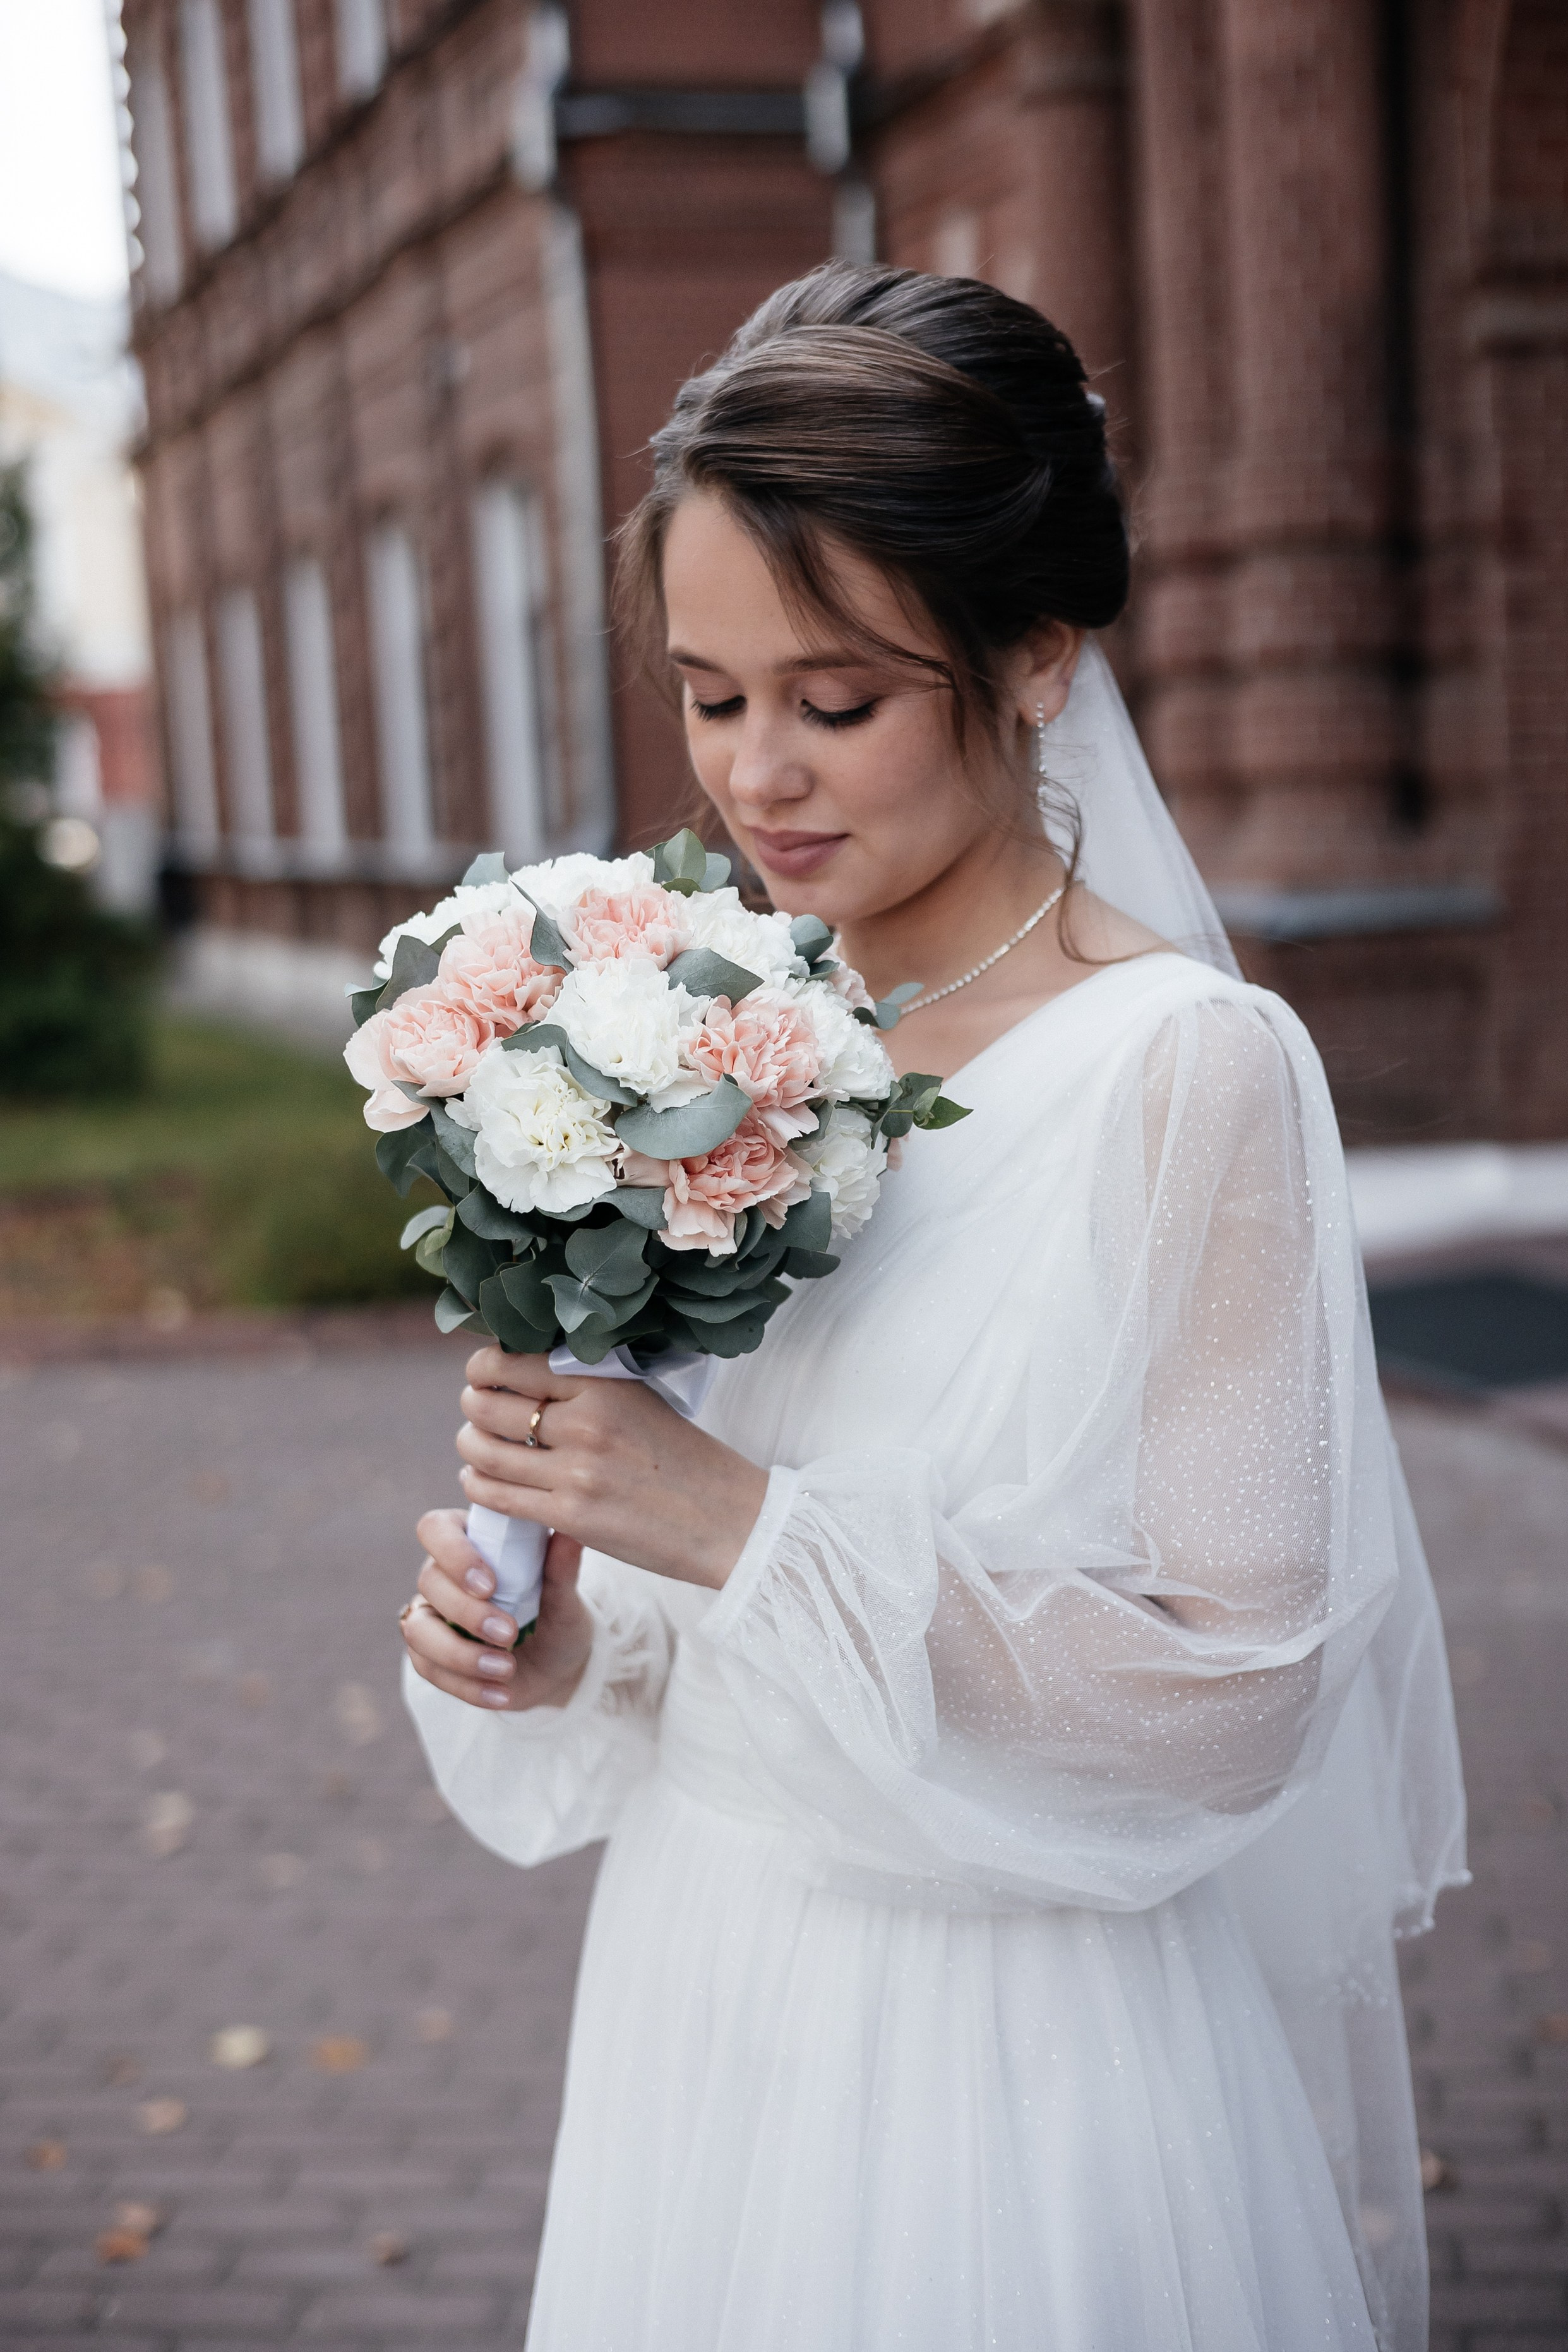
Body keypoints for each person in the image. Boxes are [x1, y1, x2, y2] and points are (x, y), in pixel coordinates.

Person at [398, 261, 1466, 2352]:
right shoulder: (689, 1029)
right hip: (703, 1999)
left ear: (1037, 654)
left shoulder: (1184, 1067)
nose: (757, 778)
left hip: (1001, 2038)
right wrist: (569, 1629)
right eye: (710, 698)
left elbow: (1235, 1687)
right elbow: (719, 1600)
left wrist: (728, 1521)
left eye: (837, 698)